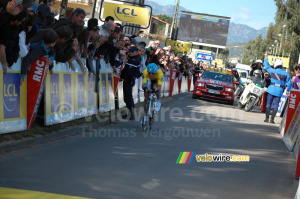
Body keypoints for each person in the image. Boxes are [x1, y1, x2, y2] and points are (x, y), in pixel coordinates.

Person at [263, 53, 292, 123]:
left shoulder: (273, 71)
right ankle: (272, 119)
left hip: (271, 89)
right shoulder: (286, 74)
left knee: (268, 104)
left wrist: (266, 57)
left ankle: (267, 118)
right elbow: (289, 84)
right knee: (276, 105)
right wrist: (288, 91)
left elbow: (266, 66)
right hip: (279, 91)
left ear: (276, 65)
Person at [120, 46, 141, 120]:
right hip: (128, 80)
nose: (130, 53)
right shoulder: (132, 59)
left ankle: (132, 114)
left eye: (132, 51)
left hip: (129, 80)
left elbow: (128, 71)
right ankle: (131, 113)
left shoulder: (134, 60)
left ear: (136, 52)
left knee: (128, 98)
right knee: (127, 98)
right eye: (130, 51)